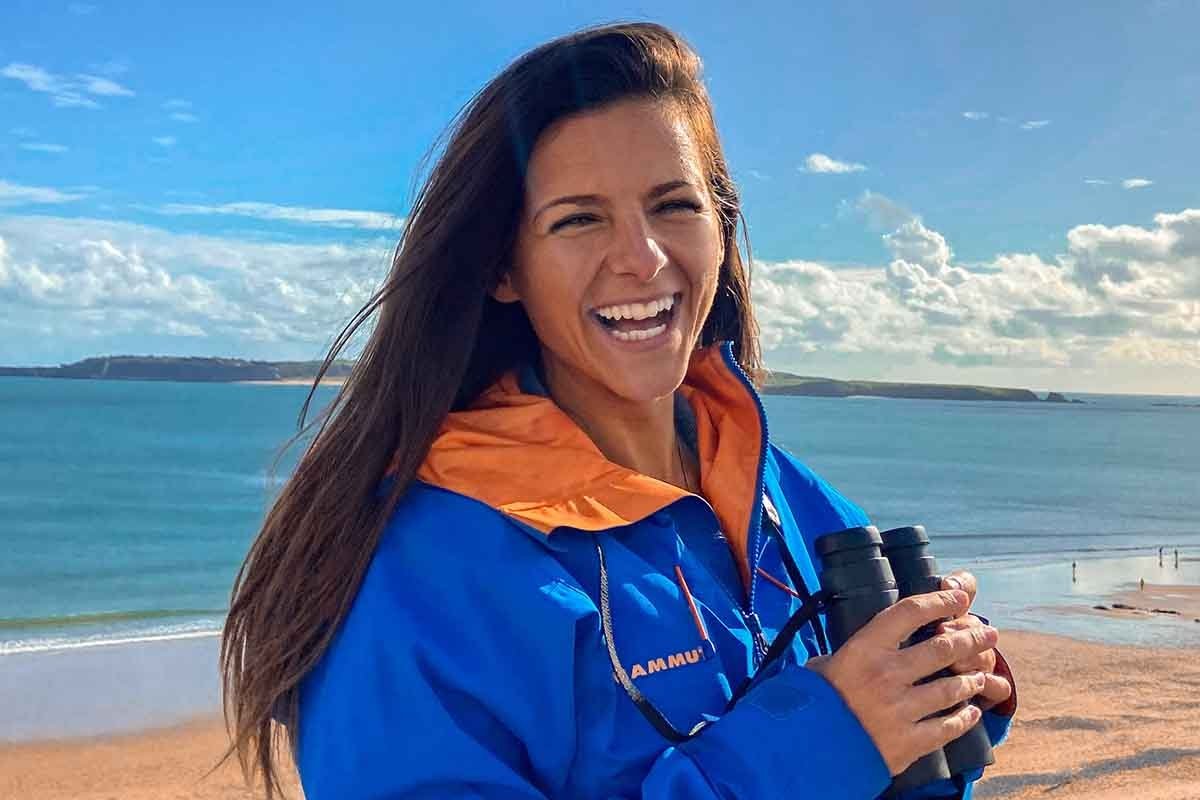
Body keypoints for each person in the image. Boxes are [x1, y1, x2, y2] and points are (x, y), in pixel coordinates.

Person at [217, 22, 1015, 800]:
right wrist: (827, 738)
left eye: (674, 205)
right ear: (503, 268)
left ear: (721, 230)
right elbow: (834, 748)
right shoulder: (423, 575)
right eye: (578, 219)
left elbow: (904, 767)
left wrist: (941, 701)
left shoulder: (780, 494)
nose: (642, 258)